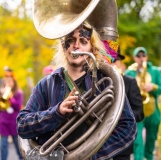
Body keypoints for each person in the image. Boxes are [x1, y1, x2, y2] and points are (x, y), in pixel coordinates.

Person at [17, 21, 137, 159]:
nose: (76, 45)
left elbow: (128, 128)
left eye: (83, 41)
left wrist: (90, 153)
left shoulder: (105, 82)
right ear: (63, 46)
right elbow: (22, 125)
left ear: (92, 49)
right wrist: (57, 112)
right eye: (71, 40)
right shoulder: (46, 84)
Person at [125, 47, 161, 160]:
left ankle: (149, 157)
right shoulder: (129, 72)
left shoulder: (155, 71)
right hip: (136, 112)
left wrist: (153, 86)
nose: (141, 58)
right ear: (134, 58)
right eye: (138, 56)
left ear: (147, 57)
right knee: (137, 141)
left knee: (151, 139)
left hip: (153, 111)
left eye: (143, 55)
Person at [112, 48, 144, 160]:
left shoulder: (129, 82)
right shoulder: (95, 81)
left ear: (120, 62)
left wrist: (119, 118)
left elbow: (139, 113)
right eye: (108, 59)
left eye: (115, 59)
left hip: (121, 143)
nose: (112, 62)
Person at [0, 66, 23, 160]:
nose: (8, 83)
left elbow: (18, 106)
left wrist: (10, 98)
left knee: (17, 146)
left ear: (13, 82)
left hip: (13, 123)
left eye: (9, 81)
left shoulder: (18, 93)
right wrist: (0, 94)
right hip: (3, 122)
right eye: (6, 81)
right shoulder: (1, 91)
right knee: (3, 146)